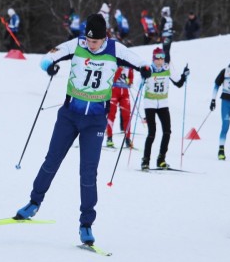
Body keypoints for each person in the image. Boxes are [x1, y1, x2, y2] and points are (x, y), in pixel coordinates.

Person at [12, 13, 151, 246]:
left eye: (94, 42)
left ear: (104, 38)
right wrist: (50, 67)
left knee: (88, 173)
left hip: (95, 121)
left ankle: (86, 224)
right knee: (51, 160)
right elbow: (47, 58)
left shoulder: (116, 49)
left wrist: (146, 69)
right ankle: (34, 203)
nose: (90, 45)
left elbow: (141, 62)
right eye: (88, 40)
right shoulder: (76, 44)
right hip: (69, 116)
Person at [140, 46, 189, 170]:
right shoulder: (149, 69)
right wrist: (143, 76)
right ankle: (145, 161)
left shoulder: (167, 69)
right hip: (150, 103)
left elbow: (178, 83)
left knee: (167, 132)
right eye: (158, 58)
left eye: (162, 58)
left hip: (163, 104)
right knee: (152, 133)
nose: (160, 60)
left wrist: (184, 75)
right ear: (153, 58)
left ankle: (161, 159)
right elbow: (138, 84)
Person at [105, 65, 135, 148]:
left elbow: (131, 80)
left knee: (126, 116)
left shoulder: (129, 67)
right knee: (111, 115)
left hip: (125, 93)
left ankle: (127, 139)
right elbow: (112, 79)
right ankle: (109, 138)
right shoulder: (114, 64)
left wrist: (129, 81)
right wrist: (120, 69)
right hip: (114, 91)